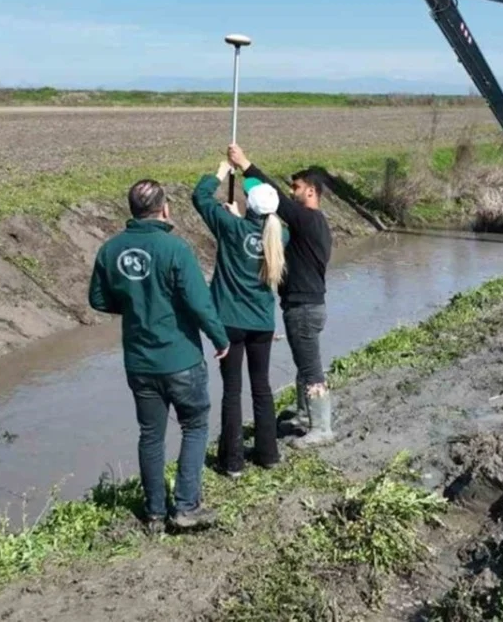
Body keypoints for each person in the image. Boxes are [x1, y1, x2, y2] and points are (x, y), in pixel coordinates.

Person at [88, 178, 230, 534]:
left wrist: (137, 304)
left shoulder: (110, 250)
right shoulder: (175, 249)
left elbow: (98, 300)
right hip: (180, 357)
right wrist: (220, 338)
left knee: (150, 434)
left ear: (132, 210)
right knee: (195, 426)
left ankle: (153, 512)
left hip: (138, 361)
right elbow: (200, 303)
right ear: (164, 208)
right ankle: (185, 507)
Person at [227, 143, 334, 448]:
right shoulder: (312, 224)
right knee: (305, 362)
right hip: (306, 305)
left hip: (304, 308)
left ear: (311, 191)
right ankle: (304, 415)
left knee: (311, 367)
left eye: (297, 187)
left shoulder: (307, 219)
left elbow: (271, 198)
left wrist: (246, 165)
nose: (292, 192)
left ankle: (322, 428)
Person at [191, 161, 290, 477]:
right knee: (262, 387)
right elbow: (260, 231)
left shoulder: (231, 227)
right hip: (262, 323)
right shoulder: (281, 236)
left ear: (249, 207)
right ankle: (268, 453)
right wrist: (240, 215)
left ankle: (232, 462)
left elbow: (200, 197)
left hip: (229, 322)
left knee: (232, 390)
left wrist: (220, 172)